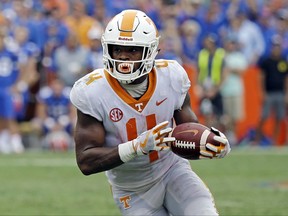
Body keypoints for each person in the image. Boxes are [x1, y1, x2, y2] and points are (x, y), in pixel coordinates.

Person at [70, 9, 231, 216]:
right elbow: (86, 160)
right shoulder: (92, 90)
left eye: (133, 50)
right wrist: (137, 146)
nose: (123, 57)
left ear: (151, 51)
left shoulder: (171, 76)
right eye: (116, 49)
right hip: (132, 189)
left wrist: (211, 142)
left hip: (173, 171)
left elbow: (188, 130)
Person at [255, 35, 288, 145]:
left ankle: (274, 142)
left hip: (280, 93)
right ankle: (257, 141)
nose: (276, 48)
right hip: (269, 93)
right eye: (274, 46)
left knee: (279, 118)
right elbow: (261, 77)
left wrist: (286, 93)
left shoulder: (283, 61)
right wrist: (262, 92)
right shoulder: (266, 61)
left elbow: (286, 79)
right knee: (263, 117)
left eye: (278, 46)